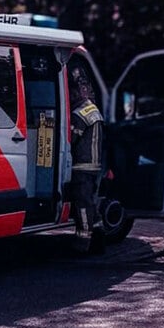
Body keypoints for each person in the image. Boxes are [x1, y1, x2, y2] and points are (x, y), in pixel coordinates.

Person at [68, 64, 105, 254]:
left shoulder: (80, 113)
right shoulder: (93, 109)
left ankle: (82, 244)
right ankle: (98, 240)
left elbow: (71, 139)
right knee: (90, 203)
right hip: (92, 166)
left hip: (82, 166)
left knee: (82, 204)